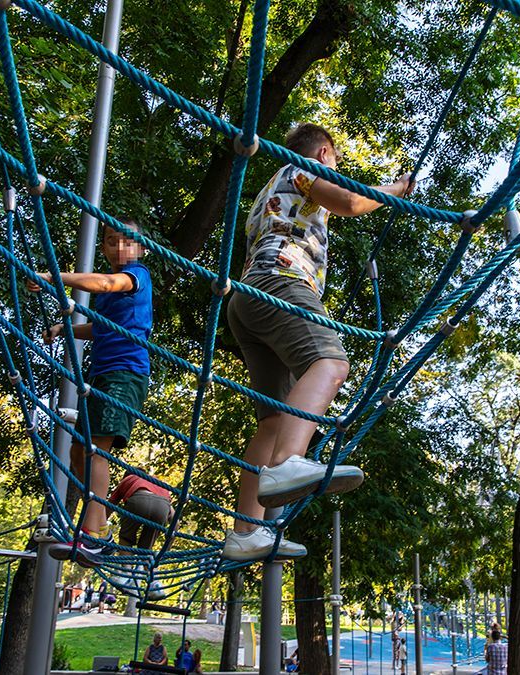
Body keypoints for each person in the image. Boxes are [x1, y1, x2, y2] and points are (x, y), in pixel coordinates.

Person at [221, 123, 416, 560]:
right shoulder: (302, 167)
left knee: (272, 420)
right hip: (281, 281)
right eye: (337, 163)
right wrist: (398, 188)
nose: (335, 170)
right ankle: (290, 461)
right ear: (325, 153)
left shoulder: (269, 188)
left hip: (247, 299)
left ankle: (246, 532)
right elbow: (348, 200)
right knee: (330, 363)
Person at [35, 220, 153, 567]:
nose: (119, 248)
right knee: (76, 453)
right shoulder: (107, 297)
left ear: (141, 249)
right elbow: (100, 326)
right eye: (111, 241)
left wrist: (51, 278)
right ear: (103, 248)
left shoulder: (136, 275)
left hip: (124, 374)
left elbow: (104, 282)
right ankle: (99, 528)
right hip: (102, 375)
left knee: (93, 451)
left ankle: (93, 536)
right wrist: (66, 328)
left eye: (127, 242)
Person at [102, 471, 174, 598]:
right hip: (162, 507)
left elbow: (109, 506)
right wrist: (167, 548)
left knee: (126, 538)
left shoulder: (129, 478)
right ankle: (154, 584)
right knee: (146, 550)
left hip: (139, 500)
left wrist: (100, 528)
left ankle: (126, 574)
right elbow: (174, 518)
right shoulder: (159, 483)